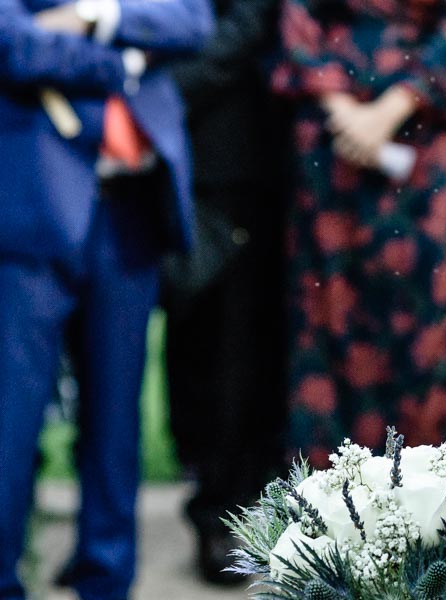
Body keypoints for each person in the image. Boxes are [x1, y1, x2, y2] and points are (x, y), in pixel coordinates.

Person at [0, 1, 211, 599]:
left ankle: (107, 581)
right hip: (31, 208)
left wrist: (97, 15)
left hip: (130, 213)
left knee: (116, 420)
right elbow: (14, 45)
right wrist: (129, 61)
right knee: (10, 417)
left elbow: (193, 22)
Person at [272, 0, 446, 465]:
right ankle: (333, 508)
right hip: (334, 143)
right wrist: (343, 109)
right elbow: (298, 19)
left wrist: (386, 113)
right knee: (331, 313)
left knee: (431, 324)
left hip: (430, 139)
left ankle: (436, 507)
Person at [162, 0, 287, 584]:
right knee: (193, 338)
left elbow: (247, 23)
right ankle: (209, 497)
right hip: (166, 153)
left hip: (231, 152)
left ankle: (227, 517)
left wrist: (149, 91)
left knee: (233, 345)